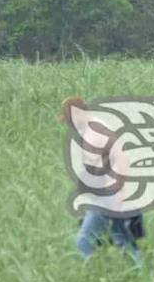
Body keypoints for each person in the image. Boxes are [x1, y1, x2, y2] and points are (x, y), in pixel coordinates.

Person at [60, 96, 143, 265]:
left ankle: (92, 274)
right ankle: (140, 273)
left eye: (69, 120)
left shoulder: (95, 132)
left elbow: (121, 159)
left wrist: (117, 190)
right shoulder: (91, 130)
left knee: (84, 241)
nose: (69, 125)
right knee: (123, 241)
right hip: (107, 196)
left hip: (107, 197)